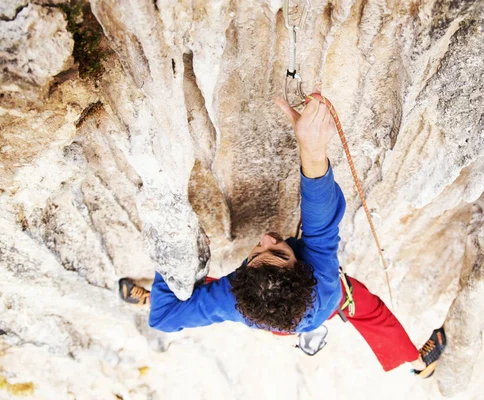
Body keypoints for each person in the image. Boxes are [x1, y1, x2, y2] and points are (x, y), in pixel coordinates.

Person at [118, 85, 446, 377]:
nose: (265, 240)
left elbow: (163, 318)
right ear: (305, 268)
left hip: (271, 318)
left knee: (198, 294)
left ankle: (163, 297)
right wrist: (313, 151)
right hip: (327, 306)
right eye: (279, 251)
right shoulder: (323, 277)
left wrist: (170, 272)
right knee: (372, 313)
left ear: (242, 279)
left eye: (256, 255)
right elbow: (320, 218)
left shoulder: (232, 297)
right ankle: (419, 364)